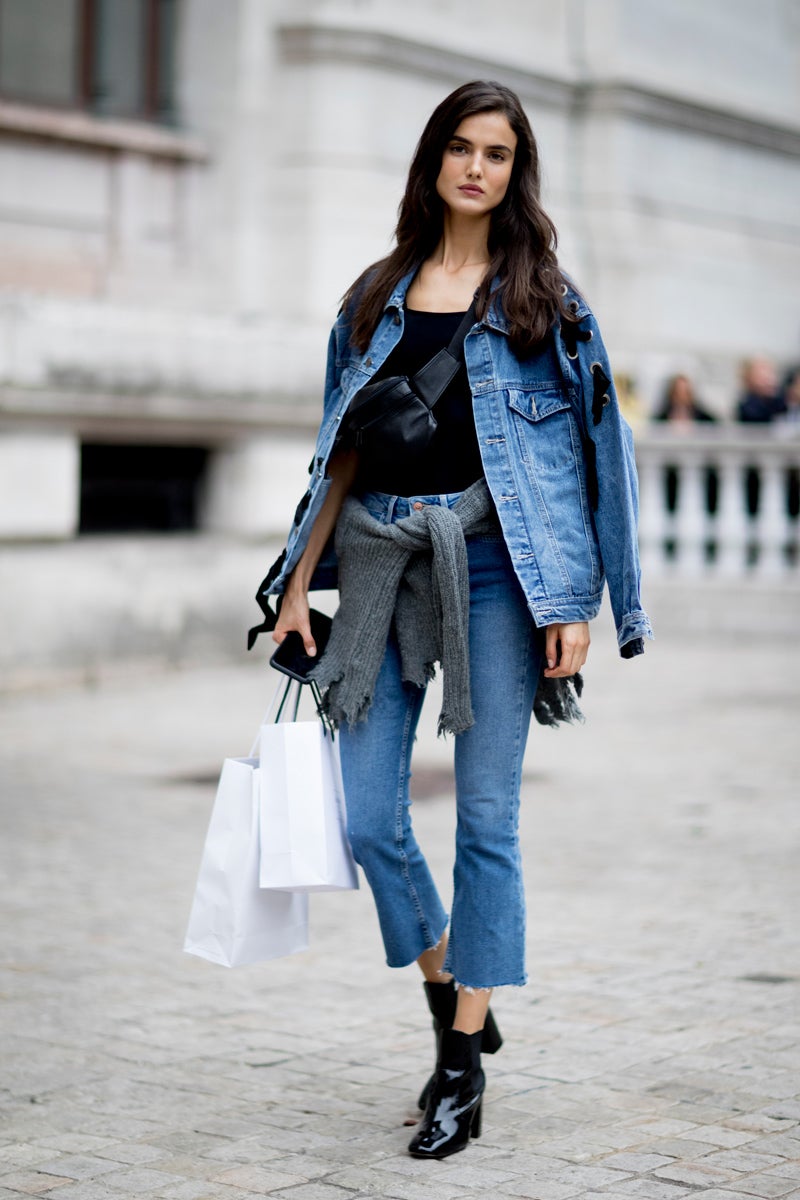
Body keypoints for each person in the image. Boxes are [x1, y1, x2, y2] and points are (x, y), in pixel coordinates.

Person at [252, 81, 652, 1159]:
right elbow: (338, 448)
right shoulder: (373, 295)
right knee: (367, 820)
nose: (477, 168)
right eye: (461, 148)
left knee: (486, 823)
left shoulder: (547, 305)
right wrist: (295, 583)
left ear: (516, 173)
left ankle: (461, 1066)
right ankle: (451, 993)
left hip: (497, 577)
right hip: (381, 569)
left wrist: (580, 605)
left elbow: (598, 458)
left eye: (497, 153)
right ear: (434, 160)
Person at [736, 357, 785, 423]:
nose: (768, 379)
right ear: (748, 378)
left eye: (770, 373)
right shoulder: (746, 405)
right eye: (761, 375)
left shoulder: (781, 398)